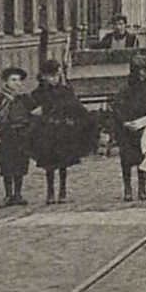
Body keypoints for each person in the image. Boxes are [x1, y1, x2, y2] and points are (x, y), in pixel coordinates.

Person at [30, 59, 97, 205]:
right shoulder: (37, 93)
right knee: (49, 164)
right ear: (44, 76)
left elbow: (74, 107)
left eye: (57, 76)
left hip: (63, 132)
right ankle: (50, 192)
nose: (55, 79)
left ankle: (62, 192)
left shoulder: (66, 91)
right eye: (51, 76)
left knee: (63, 164)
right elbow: (34, 112)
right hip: (47, 133)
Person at [113, 54, 146, 202]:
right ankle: (127, 187)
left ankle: (142, 187)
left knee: (143, 157)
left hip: (144, 128)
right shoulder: (126, 90)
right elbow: (118, 108)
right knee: (127, 159)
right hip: (128, 129)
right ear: (141, 72)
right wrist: (124, 122)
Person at [0, 67, 34, 207]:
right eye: (13, 80)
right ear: (6, 82)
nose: (17, 83)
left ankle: (18, 194)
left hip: (22, 134)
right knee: (6, 164)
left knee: (20, 164)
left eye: (19, 80)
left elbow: (32, 114)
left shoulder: (25, 98)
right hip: (6, 134)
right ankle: (8, 194)